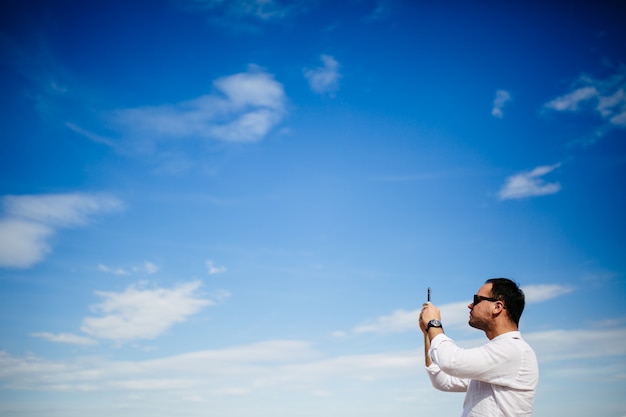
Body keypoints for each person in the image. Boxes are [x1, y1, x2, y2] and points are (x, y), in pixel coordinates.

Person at [419, 278, 539, 416]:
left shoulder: (513, 350)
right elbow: (442, 380)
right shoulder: (499, 356)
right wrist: (428, 333)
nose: (470, 305)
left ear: (497, 307)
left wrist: (434, 323)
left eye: (476, 300)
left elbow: (450, 361)